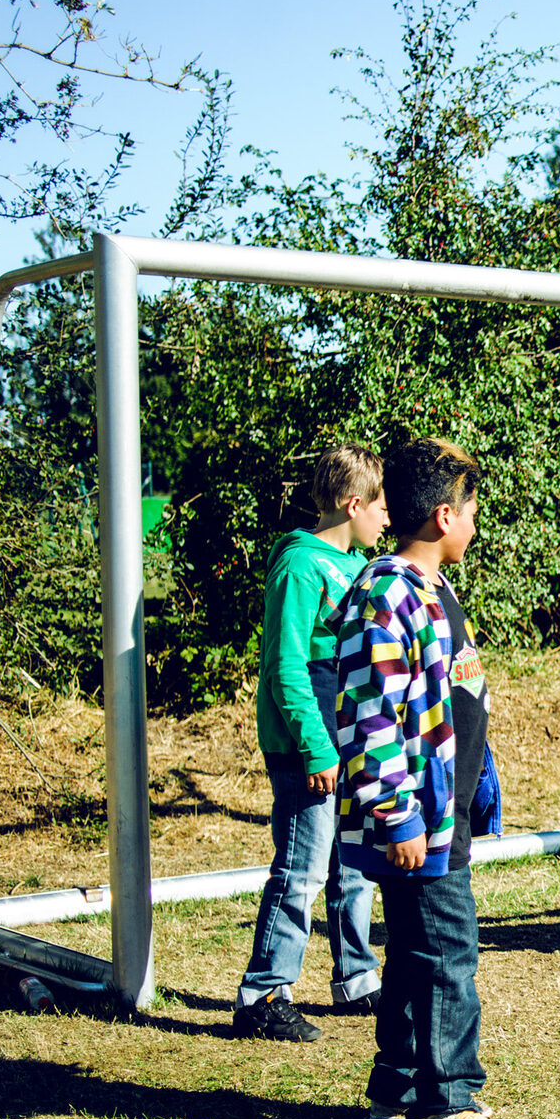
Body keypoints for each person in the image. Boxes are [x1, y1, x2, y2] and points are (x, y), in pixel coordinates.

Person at [334, 438, 524, 1119]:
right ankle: (447, 1104)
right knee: (449, 952)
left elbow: (458, 700)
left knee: (415, 955)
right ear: (445, 516)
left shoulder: (438, 590)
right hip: (414, 823)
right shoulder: (387, 593)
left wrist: (483, 790)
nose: (477, 523)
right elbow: (370, 715)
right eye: (472, 509)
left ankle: (398, 1087)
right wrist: (399, 813)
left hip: (446, 818)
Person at [233, 445, 388, 1042]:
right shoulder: (301, 566)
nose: (386, 519)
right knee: (302, 868)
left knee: (354, 866)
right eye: (378, 506)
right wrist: (317, 750)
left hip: (351, 743)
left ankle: (355, 979)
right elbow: (286, 667)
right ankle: (263, 993)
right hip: (310, 750)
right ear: (352, 505)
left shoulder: (355, 566)